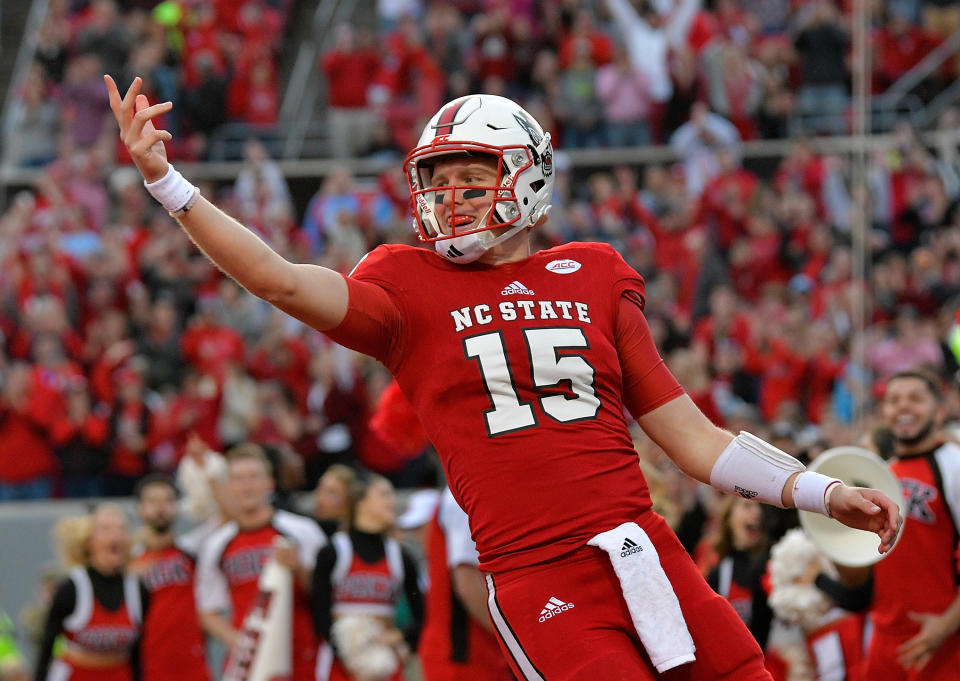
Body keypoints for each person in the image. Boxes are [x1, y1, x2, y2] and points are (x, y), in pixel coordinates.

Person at [107, 77, 901, 681]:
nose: (448, 198)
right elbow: (281, 280)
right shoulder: (406, 288)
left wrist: (821, 492)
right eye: (437, 181)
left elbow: (693, 437)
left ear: (525, 177)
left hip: (644, 549)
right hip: (537, 574)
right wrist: (168, 184)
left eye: (470, 178)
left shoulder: (594, 273)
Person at [858, 369, 960, 680]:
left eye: (915, 399)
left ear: (939, 411)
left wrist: (946, 625)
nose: (903, 407)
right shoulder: (881, 473)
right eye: (894, 400)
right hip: (885, 642)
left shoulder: (955, 465)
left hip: (944, 641)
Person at [195, 444, 326, 681]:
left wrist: (299, 569)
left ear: (270, 483)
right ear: (228, 487)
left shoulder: (303, 531)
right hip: (250, 661)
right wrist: (233, 639)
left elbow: (326, 595)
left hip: (301, 656)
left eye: (254, 477)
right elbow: (208, 611)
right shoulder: (216, 544)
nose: (247, 485)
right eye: (238, 479)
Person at [312, 472, 423, 681]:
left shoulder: (401, 555)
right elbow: (319, 614)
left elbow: (422, 614)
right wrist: (350, 651)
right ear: (361, 502)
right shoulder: (333, 551)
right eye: (384, 494)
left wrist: (401, 637)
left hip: (384, 665)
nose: (392, 501)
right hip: (340, 666)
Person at [35, 504, 146, 681]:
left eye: (122, 529)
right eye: (106, 529)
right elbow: (47, 647)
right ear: (88, 541)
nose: (116, 535)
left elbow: (138, 653)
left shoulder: (137, 588)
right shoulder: (72, 588)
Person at [418, 488, 514, 681]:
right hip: (463, 655)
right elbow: (468, 585)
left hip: (483, 653)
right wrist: (516, 638)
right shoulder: (461, 497)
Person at [129, 474, 211, 681]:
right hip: (148, 666)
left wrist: (207, 471)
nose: (161, 508)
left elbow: (225, 520)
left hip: (193, 664)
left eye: (168, 500)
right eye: (153, 501)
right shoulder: (130, 562)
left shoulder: (192, 551)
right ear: (139, 510)